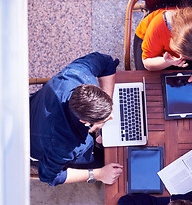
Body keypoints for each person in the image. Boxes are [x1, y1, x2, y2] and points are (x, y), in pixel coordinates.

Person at [29, 52, 123, 186]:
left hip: (30, 110)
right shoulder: (66, 146)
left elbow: (107, 62)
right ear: (84, 122)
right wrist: (98, 174)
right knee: (106, 159)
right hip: (32, 144)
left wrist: (108, 105)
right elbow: (49, 176)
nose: (112, 117)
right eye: (104, 119)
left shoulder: (77, 74)